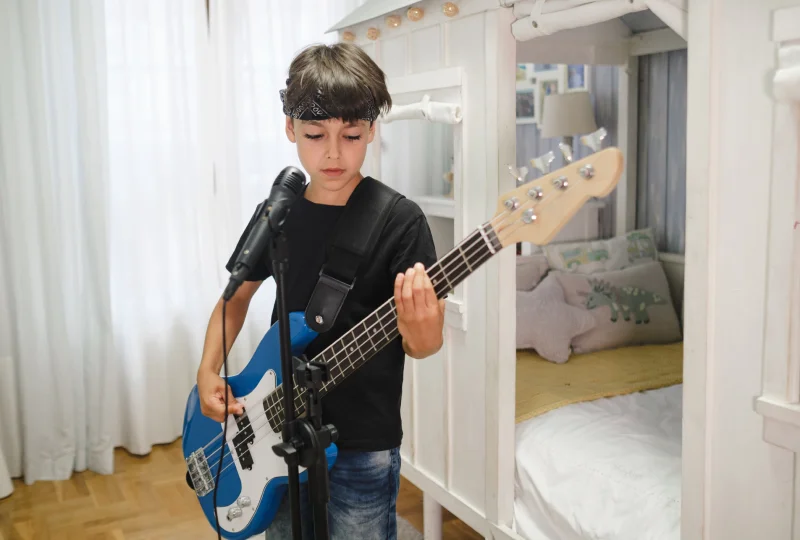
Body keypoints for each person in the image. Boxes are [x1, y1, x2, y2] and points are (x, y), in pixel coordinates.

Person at [195, 42, 445, 540]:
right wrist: (207, 369)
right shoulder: (277, 213)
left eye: (351, 135)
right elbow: (236, 297)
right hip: (276, 436)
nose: (333, 152)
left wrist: (425, 329)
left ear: (372, 130)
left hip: (362, 443)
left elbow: (422, 346)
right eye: (315, 134)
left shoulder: (401, 221)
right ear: (290, 129)